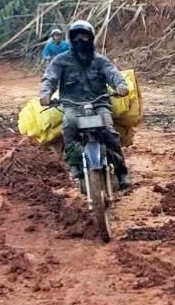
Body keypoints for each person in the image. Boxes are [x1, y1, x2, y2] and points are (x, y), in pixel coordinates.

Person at [39, 20, 130, 190]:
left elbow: (113, 73)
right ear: (71, 39)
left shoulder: (100, 60)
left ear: (91, 38)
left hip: (99, 104)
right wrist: (45, 94)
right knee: (68, 128)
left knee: (110, 133)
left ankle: (121, 172)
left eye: (84, 36)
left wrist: (120, 85)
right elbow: (49, 78)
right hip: (73, 106)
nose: (81, 40)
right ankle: (74, 165)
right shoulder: (60, 61)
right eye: (77, 37)